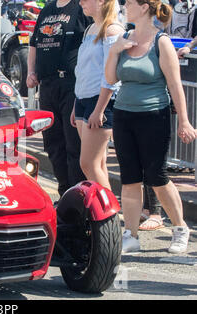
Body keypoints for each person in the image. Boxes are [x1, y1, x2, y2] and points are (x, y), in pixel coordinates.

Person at [105, 0, 197, 253]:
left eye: (130, 3)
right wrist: (115, 52)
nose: (125, 7)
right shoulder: (123, 38)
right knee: (130, 178)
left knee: (156, 176)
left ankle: (180, 228)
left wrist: (185, 121)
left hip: (154, 115)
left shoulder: (161, 42)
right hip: (124, 115)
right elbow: (111, 78)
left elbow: (175, 84)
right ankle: (130, 234)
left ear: (144, 7)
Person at [27, 0, 90, 196]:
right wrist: (31, 71)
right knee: (52, 143)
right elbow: (34, 43)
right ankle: (64, 194)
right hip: (47, 84)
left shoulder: (81, 8)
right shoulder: (47, 9)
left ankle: (77, 197)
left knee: (73, 144)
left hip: (71, 84)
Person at [71, 0, 125, 190]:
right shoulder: (90, 29)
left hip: (99, 100)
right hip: (82, 98)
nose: (80, 2)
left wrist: (99, 109)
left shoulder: (112, 30)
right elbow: (82, 70)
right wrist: (75, 104)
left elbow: (110, 76)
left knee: (88, 164)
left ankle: (109, 215)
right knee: (97, 164)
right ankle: (102, 214)